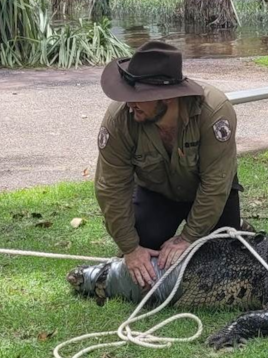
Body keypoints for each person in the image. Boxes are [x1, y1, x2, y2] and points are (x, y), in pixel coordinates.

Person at [93, 41, 243, 287]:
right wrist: (130, 248)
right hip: (157, 193)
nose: (130, 104)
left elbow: (216, 184)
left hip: (207, 193)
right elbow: (110, 187)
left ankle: (235, 227)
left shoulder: (214, 111)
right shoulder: (119, 119)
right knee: (144, 245)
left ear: (168, 97)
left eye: (139, 97)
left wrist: (188, 238)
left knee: (220, 259)